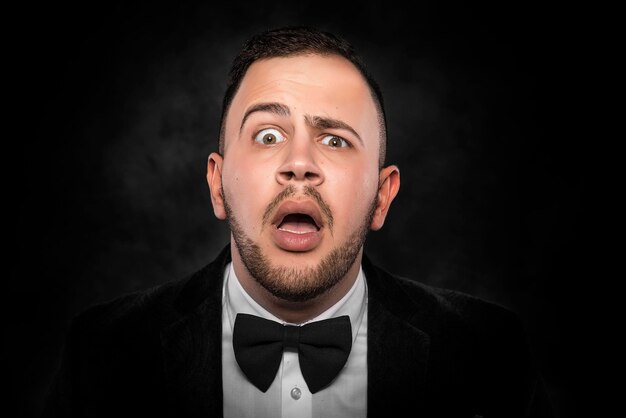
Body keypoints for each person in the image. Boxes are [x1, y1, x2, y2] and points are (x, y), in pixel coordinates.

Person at [42, 26, 554, 418]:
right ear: (217, 184)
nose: (299, 162)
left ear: (382, 196)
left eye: (335, 140)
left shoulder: (490, 352)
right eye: (267, 135)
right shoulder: (103, 352)